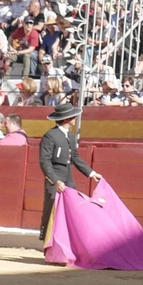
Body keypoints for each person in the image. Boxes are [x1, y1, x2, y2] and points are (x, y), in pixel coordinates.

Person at [38, 102, 101, 239]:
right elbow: (45, 161)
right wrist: (55, 180)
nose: (75, 119)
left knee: (73, 208)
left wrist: (91, 173)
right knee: (52, 209)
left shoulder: (71, 136)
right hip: (56, 176)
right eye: (74, 116)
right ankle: (47, 242)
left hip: (68, 176)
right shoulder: (50, 136)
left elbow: (75, 157)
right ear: (67, 119)